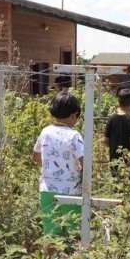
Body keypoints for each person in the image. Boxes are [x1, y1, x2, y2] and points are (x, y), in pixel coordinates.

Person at [32, 92, 84, 237]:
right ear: (74, 115)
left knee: (50, 234)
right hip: (71, 191)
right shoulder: (75, 136)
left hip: (47, 190)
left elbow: (36, 157)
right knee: (73, 232)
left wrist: (53, 162)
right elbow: (84, 163)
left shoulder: (45, 132)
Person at [104, 89, 130, 181]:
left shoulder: (111, 118)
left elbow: (106, 141)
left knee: (116, 184)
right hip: (128, 160)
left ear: (118, 103)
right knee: (129, 185)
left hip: (114, 159)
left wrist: (114, 149)